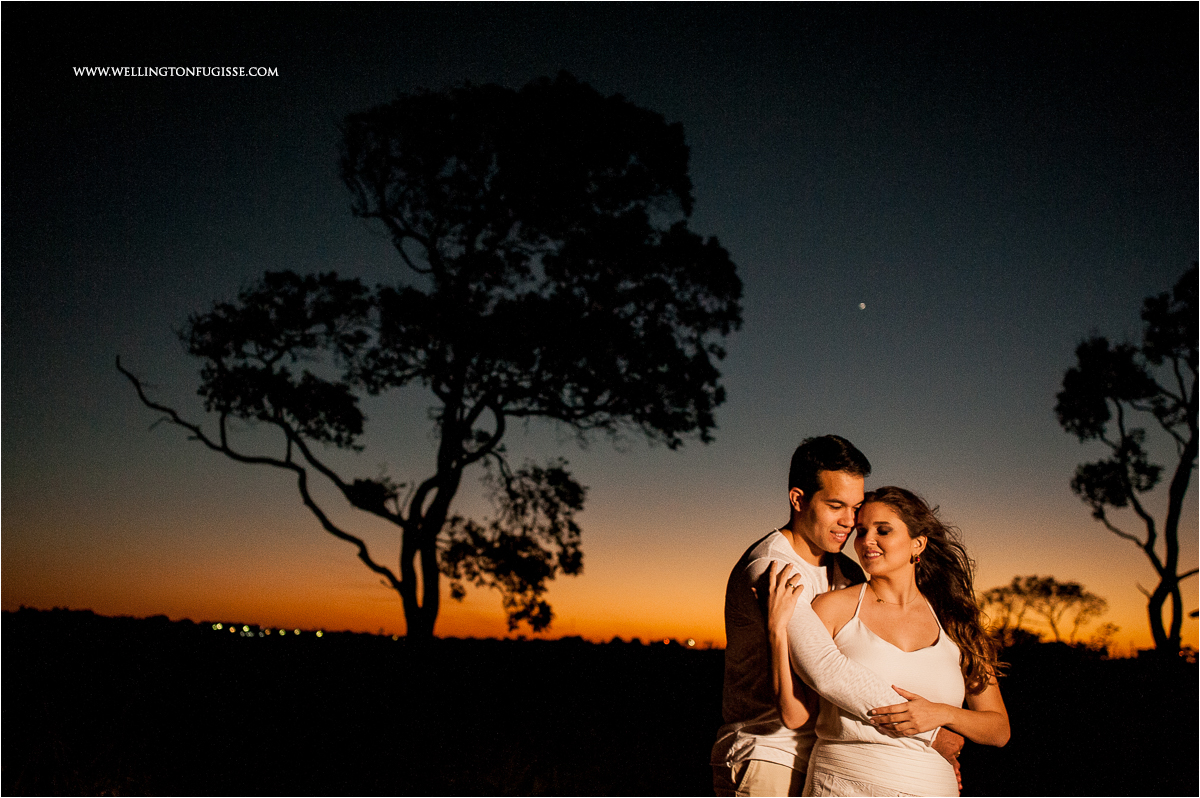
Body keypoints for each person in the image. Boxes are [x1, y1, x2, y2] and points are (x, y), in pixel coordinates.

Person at [711, 437, 961, 797]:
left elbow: (877, 668)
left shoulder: (847, 572)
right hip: (768, 755)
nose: (849, 521)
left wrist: (930, 757)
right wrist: (930, 732)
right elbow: (830, 670)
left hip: (823, 760)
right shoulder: (773, 568)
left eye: (855, 507)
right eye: (835, 505)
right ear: (798, 499)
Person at [766, 486, 1010, 796]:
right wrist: (777, 632)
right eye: (861, 531)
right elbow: (796, 715)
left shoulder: (955, 622)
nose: (867, 540)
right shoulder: (831, 608)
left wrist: (943, 714)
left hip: (931, 786)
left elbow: (998, 730)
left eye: (883, 530)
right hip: (842, 784)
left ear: (917, 543)